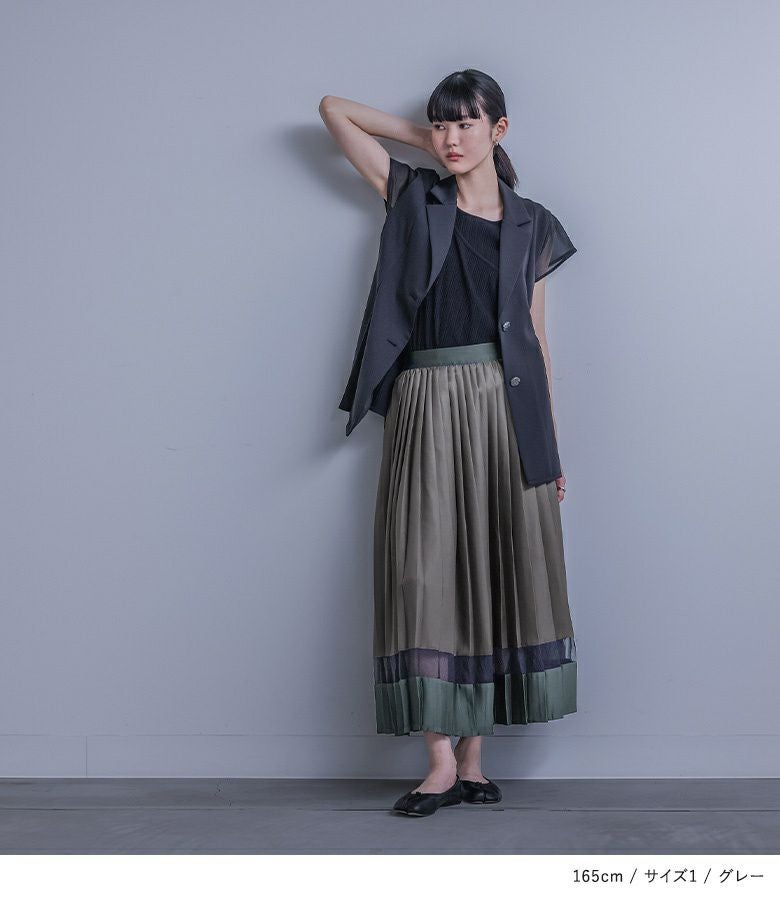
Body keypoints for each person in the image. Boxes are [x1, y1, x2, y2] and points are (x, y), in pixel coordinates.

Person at [319, 69, 578, 817]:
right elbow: (334, 111)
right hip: (426, 398)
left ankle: (473, 762)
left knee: (496, 571)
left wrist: (549, 446)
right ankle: (436, 764)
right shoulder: (413, 196)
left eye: (468, 123)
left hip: (506, 406)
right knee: (424, 572)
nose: (452, 136)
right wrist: (430, 142)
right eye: (443, 123)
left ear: (501, 129)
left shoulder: (534, 224)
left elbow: (536, 342)